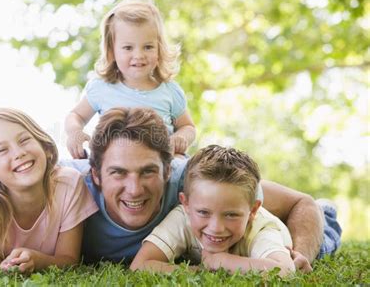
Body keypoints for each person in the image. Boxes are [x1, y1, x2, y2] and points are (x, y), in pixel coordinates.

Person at [62, 107, 341, 271]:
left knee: (319, 234)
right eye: (118, 173)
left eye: (148, 171)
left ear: (169, 170)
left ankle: (328, 213)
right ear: (95, 174)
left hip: (265, 234)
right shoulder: (69, 189)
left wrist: (300, 251)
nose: (134, 189)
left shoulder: (195, 182)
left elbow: (301, 203)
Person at [0, 108, 98, 273]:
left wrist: (38, 261)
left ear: (45, 147)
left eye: (24, 140)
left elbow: (69, 261)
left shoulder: (69, 184)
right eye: (2, 150)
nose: (19, 153)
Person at [65, 0, 195, 159]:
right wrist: (75, 132)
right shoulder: (102, 88)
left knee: (187, 169)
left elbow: (188, 126)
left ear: (159, 49)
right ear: (112, 51)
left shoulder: (169, 91)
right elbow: (75, 115)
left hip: (159, 167)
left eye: (148, 47)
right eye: (128, 48)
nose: (139, 55)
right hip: (114, 167)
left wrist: (180, 137)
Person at [130, 145, 295, 277]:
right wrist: (202, 271)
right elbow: (140, 265)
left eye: (231, 215)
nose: (216, 227)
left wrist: (221, 261)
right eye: (203, 212)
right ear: (186, 204)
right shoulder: (182, 217)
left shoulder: (260, 229)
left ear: (253, 211)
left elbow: (285, 271)